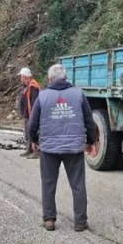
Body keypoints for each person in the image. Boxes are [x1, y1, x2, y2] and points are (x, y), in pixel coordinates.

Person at [27, 64, 97, 232]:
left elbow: (32, 124)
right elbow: (89, 121)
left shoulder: (43, 96)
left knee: (48, 184)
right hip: (74, 148)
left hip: (49, 149)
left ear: (50, 79)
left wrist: (35, 140)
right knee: (78, 185)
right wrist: (90, 141)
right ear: (65, 78)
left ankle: (49, 219)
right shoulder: (79, 94)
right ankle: (80, 221)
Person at [17, 67, 41, 159]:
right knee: (27, 133)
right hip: (27, 114)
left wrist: (33, 116)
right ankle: (29, 149)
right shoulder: (28, 86)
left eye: (21, 77)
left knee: (32, 132)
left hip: (31, 115)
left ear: (25, 76)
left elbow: (34, 102)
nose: (20, 79)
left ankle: (36, 151)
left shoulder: (33, 86)